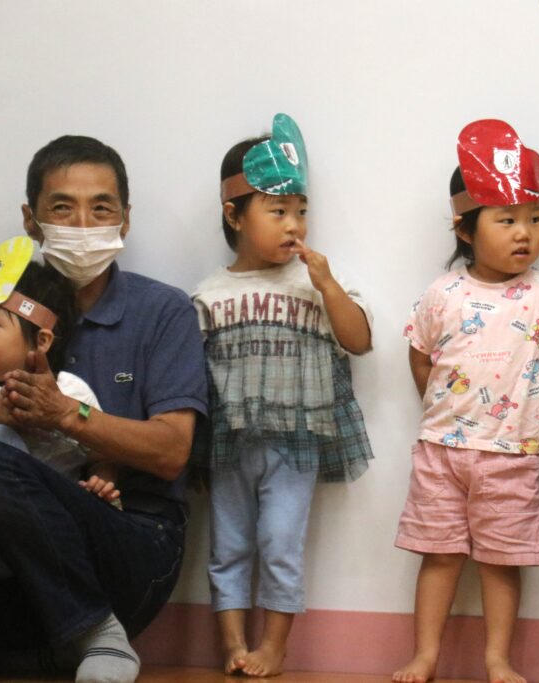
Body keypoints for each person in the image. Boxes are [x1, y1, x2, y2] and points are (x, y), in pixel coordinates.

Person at [0, 135, 207, 683]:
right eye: (62, 208)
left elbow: (172, 452)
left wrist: (64, 415)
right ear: (30, 221)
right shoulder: (0, 311)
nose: (82, 225)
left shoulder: (163, 310)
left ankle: (98, 635)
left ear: (125, 220)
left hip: (127, 542)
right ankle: (42, 651)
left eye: (101, 208)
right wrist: (4, 413)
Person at [392, 119, 539, 683]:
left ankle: (498, 659)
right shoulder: (443, 293)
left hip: (514, 452)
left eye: (535, 218)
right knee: (439, 555)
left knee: (501, 561)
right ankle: (425, 655)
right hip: (442, 451)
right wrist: (441, 410)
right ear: (466, 229)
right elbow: (420, 355)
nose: (525, 233)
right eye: (507, 220)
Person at [192, 113, 374, 678]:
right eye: (278, 211)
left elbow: (360, 340)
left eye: (301, 210)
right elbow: (191, 378)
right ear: (234, 215)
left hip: (297, 441)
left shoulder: (313, 284)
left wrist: (327, 285)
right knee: (227, 545)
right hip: (229, 443)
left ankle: (274, 645)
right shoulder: (208, 293)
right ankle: (231, 643)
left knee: (279, 544)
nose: (294, 224)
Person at [0, 239, 114, 683]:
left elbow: (102, 449)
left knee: (0, 441)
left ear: (42, 340)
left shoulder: (70, 391)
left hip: (39, 535)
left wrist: (104, 479)